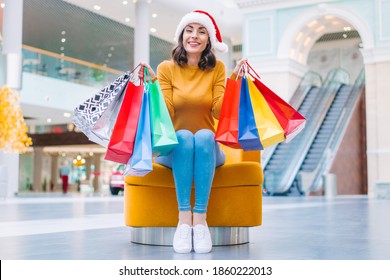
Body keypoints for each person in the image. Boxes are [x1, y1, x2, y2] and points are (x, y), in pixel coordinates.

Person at [139, 10, 246, 254]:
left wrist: (233, 83)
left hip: (209, 149)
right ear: (181, 36)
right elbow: (164, 114)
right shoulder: (166, 68)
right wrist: (154, 86)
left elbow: (219, 111)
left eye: (201, 31)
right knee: (185, 136)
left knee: (205, 136)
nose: (194, 36)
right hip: (173, 149)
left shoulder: (216, 68)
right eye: (189, 30)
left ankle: (200, 220)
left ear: (209, 39)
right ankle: (183, 220)